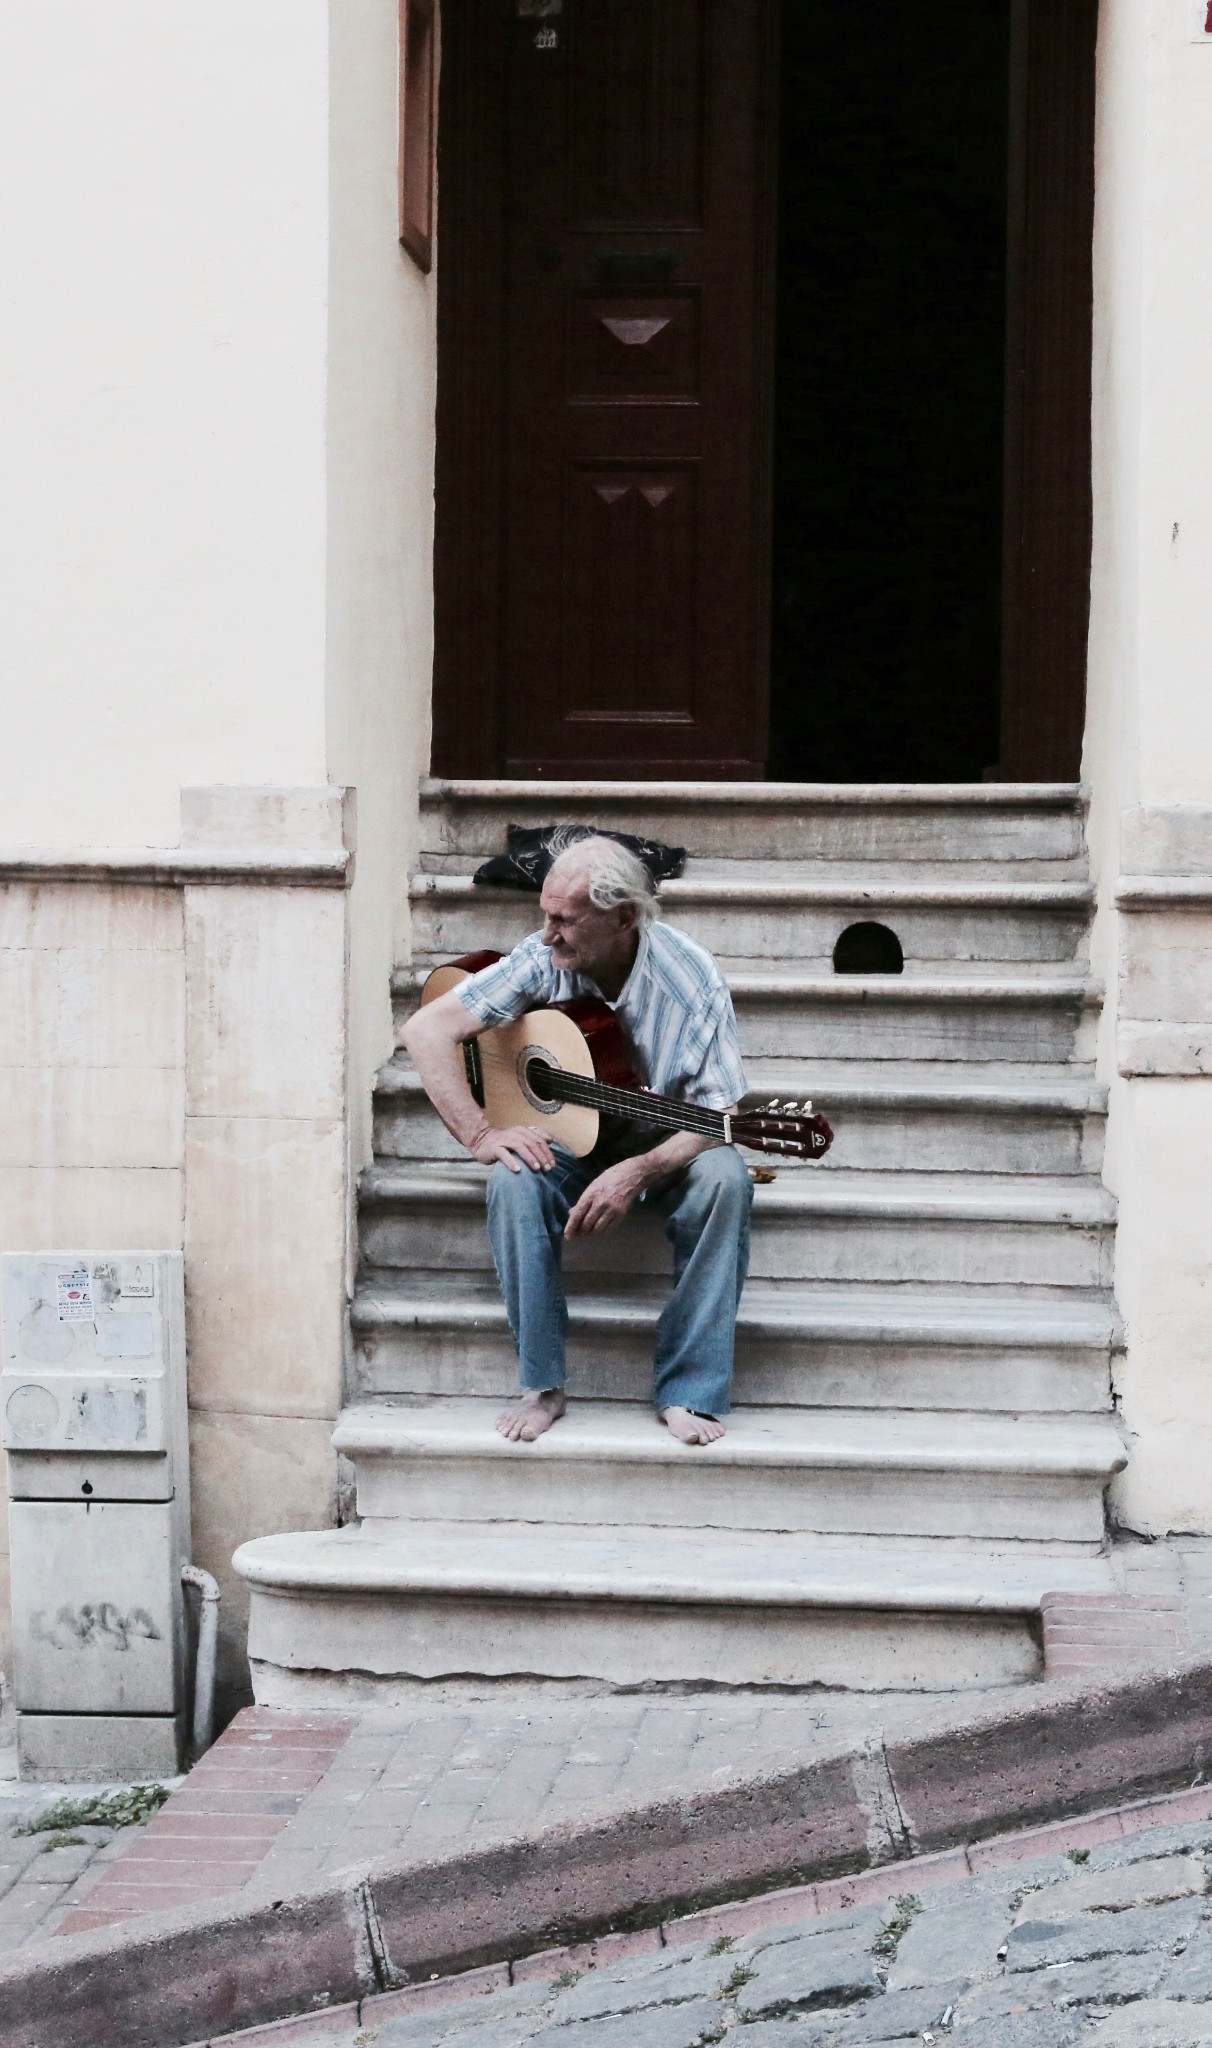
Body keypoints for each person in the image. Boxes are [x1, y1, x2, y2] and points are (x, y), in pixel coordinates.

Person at [402, 836, 753, 1446]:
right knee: (512, 1178)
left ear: (623, 917)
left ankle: (690, 1390)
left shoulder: (691, 979)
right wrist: (481, 1133)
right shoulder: (541, 958)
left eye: (564, 919)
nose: (547, 934)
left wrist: (638, 1171)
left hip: (666, 1140)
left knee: (727, 1179)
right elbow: (427, 1030)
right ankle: (542, 1385)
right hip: (570, 1139)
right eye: (545, 914)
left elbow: (719, 1110)